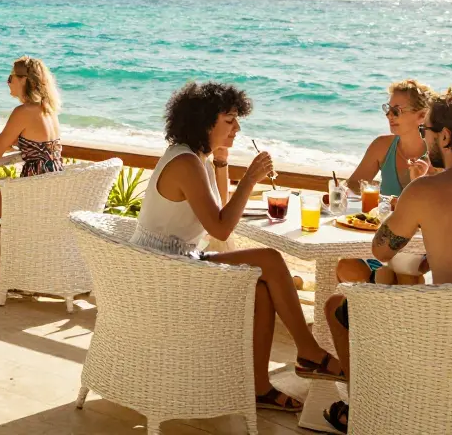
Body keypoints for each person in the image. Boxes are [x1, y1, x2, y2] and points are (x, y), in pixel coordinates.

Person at [317, 88, 452, 432]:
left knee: (336, 306)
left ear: (445, 136)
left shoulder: (427, 189)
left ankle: (367, 409)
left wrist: (411, 195)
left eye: (425, 131)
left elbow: (381, 250)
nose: (424, 138)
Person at [131, 82, 342, 413]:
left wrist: (221, 163)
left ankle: (259, 387)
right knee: (270, 260)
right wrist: (250, 179)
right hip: (165, 273)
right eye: (229, 120)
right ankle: (309, 352)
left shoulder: (194, 157)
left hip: (174, 261)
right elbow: (220, 226)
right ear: (205, 122)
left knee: (260, 289)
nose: (237, 128)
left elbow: (220, 206)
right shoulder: (185, 164)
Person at [0, 57, 64, 288]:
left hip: (33, 192)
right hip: (53, 187)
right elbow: (10, 145)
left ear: (24, 80)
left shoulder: (23, 111)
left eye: (10, 78)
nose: (8, 83)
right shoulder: (47, 110)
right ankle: (4, 268)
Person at [337, 79, 437, 287]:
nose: (389, 115)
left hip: (422, 248)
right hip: (384, 242)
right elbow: (354, 184)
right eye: (388, 109)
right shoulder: (382, 146)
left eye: (397, 110)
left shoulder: (438, 155)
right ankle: (377, 302)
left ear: (422, 115)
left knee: (403, 273)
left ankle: (387, 297)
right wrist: (342, 193)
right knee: (347, 267)